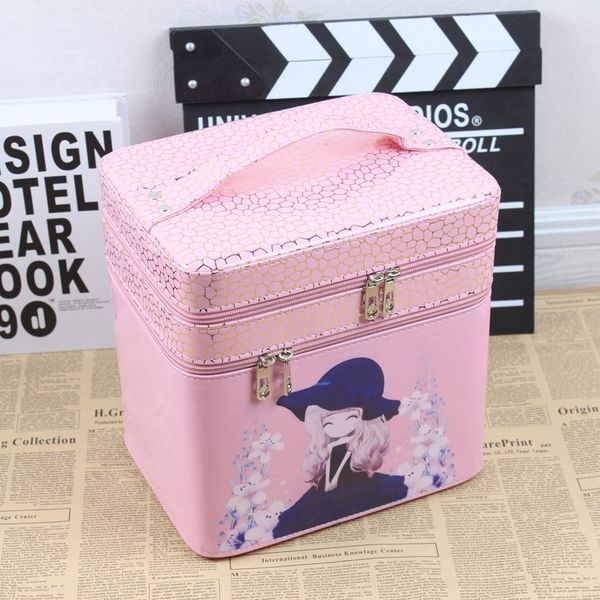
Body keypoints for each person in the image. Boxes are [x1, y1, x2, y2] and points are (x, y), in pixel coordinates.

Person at [273, 357, 408, 538]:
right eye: (328, 422)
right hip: (327, 496)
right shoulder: (331, 448)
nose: (336, 427)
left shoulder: (354, 449)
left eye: (350, 418)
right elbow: (329, 481)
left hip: (354, 495)